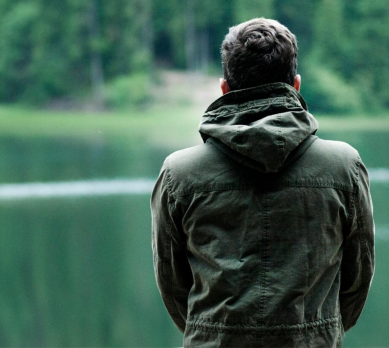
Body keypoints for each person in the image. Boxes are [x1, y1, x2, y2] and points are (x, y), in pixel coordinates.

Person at [151, 17, 375, 348]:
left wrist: (216, 332)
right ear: (296, 85)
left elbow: (172, 284)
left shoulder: (179, 174)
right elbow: (358, 278)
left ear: (224, 88)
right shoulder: (344, 167)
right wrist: (317, 332)